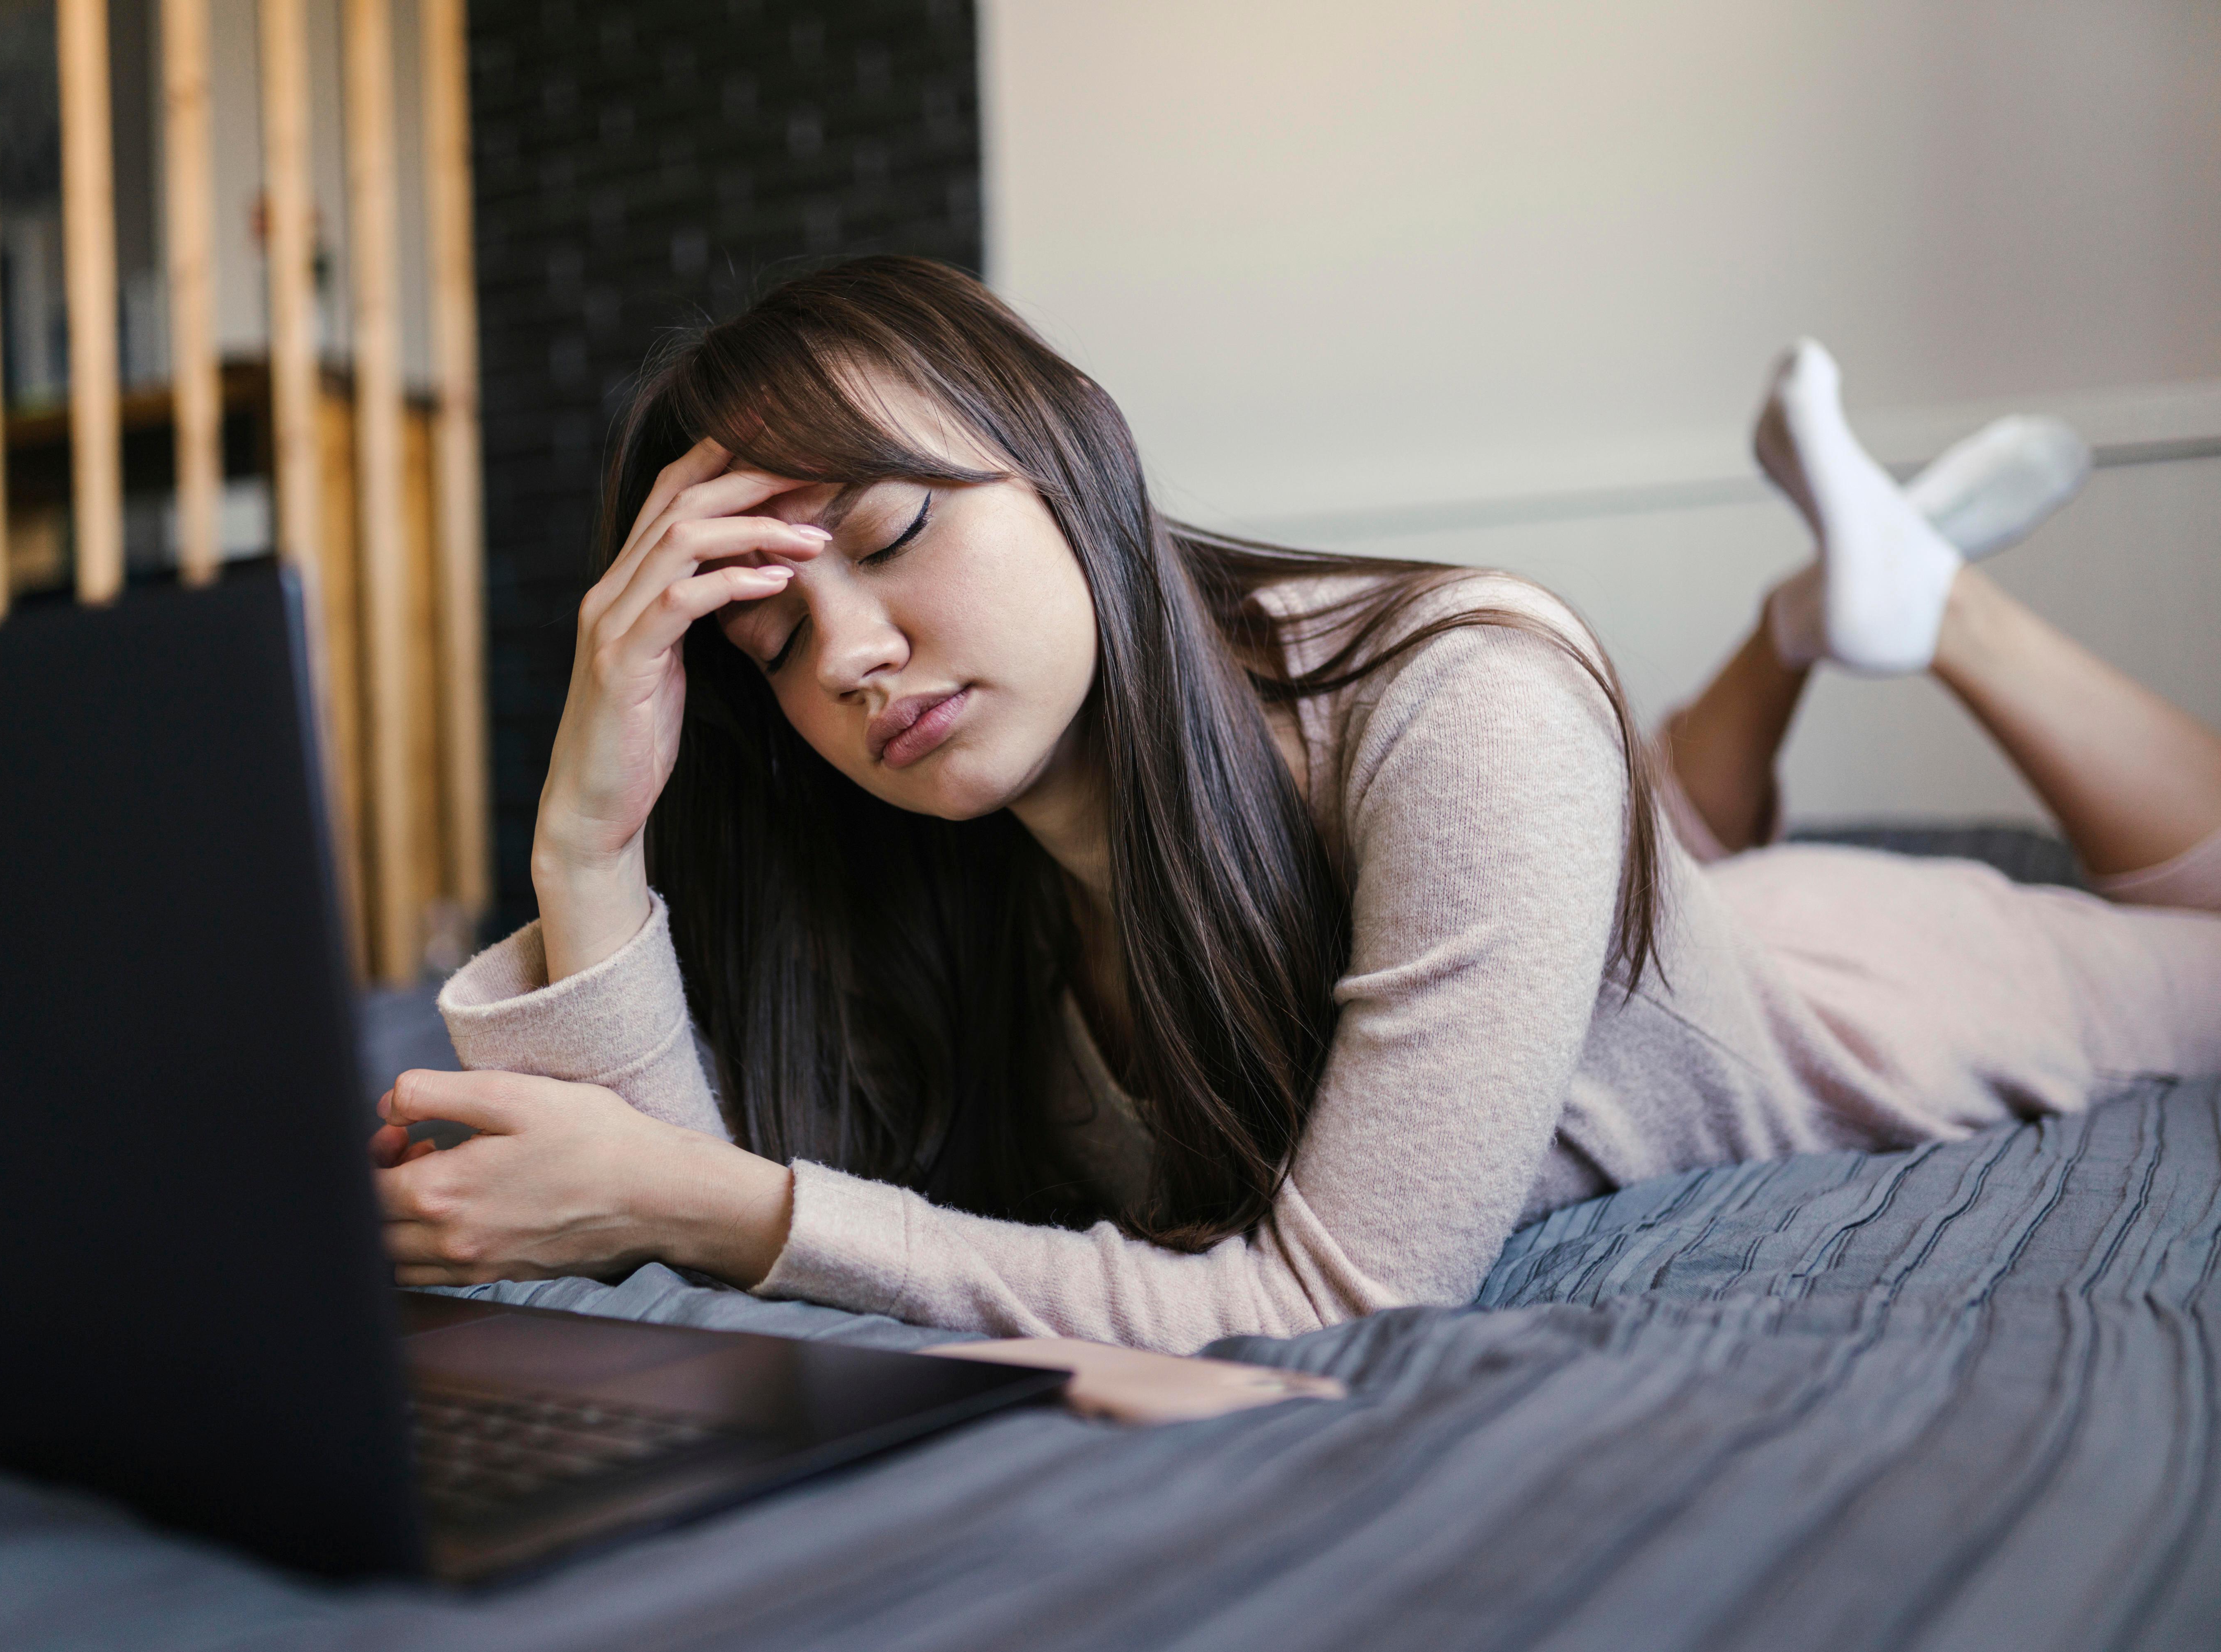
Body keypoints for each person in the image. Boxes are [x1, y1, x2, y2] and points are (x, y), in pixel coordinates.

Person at [371, 256, 2221, 1356]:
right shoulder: (930, 849)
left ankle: (1925, 609)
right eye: (768, 638)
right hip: (1637, 943)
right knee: (1687, 837)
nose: (847, 654)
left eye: (893, 531)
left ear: (1076, 455)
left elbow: (1331, 1299)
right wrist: (586, 836)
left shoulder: (1469, 687)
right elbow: (618, 1224)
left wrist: (736, 1209)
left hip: (1884, 989)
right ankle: (1814, 620)